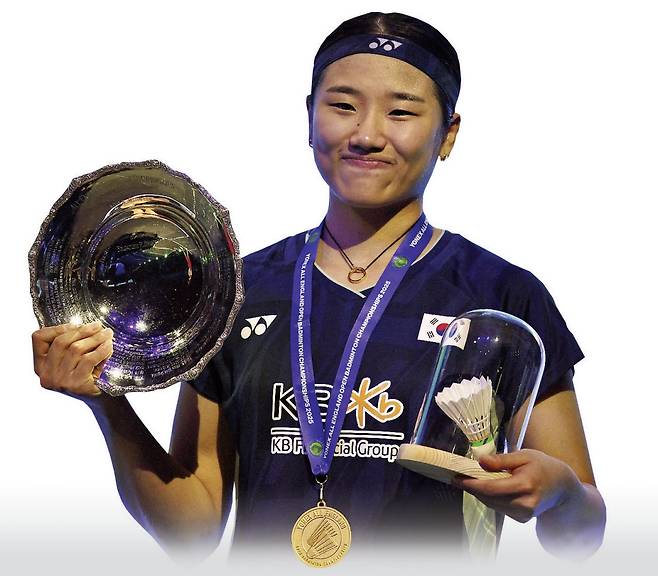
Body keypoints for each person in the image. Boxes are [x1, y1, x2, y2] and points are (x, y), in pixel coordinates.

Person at [31, 11, 605, 563]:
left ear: (447, 134)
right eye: (343, 106)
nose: (367, 134)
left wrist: (560, 495)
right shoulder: (235, 292)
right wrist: (107, 403)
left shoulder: (503, 295)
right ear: (309, 117)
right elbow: (192, 531)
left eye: (401, 112)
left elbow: (580, 538)